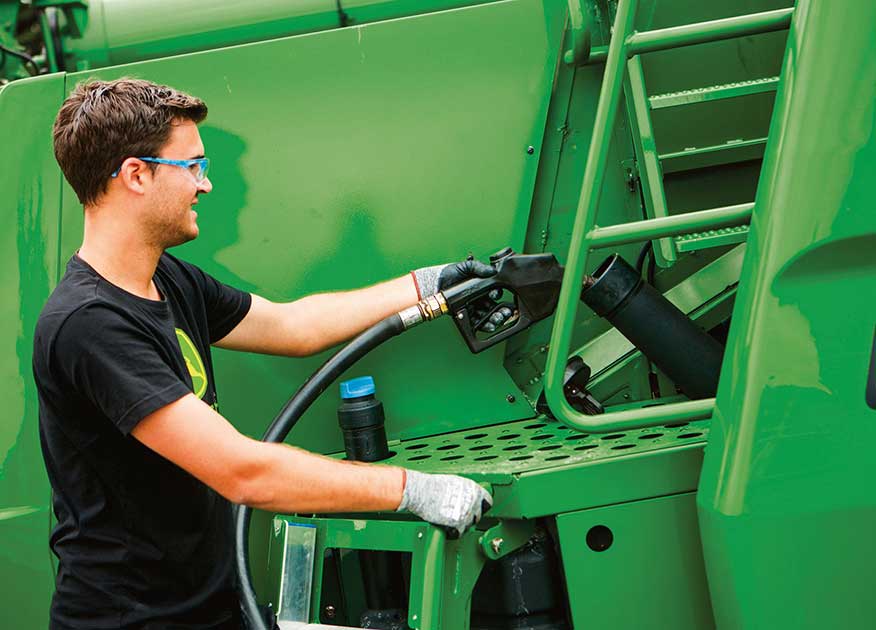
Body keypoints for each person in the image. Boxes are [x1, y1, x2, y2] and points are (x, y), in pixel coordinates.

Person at [34, 78, 495, 630]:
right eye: (193, 167)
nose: (204, 186)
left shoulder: (166, 278)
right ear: (137, 174)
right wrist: (414, 490)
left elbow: (292, 326)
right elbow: (243, 471)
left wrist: (431, 284)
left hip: (212, 609)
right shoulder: (88, 324)